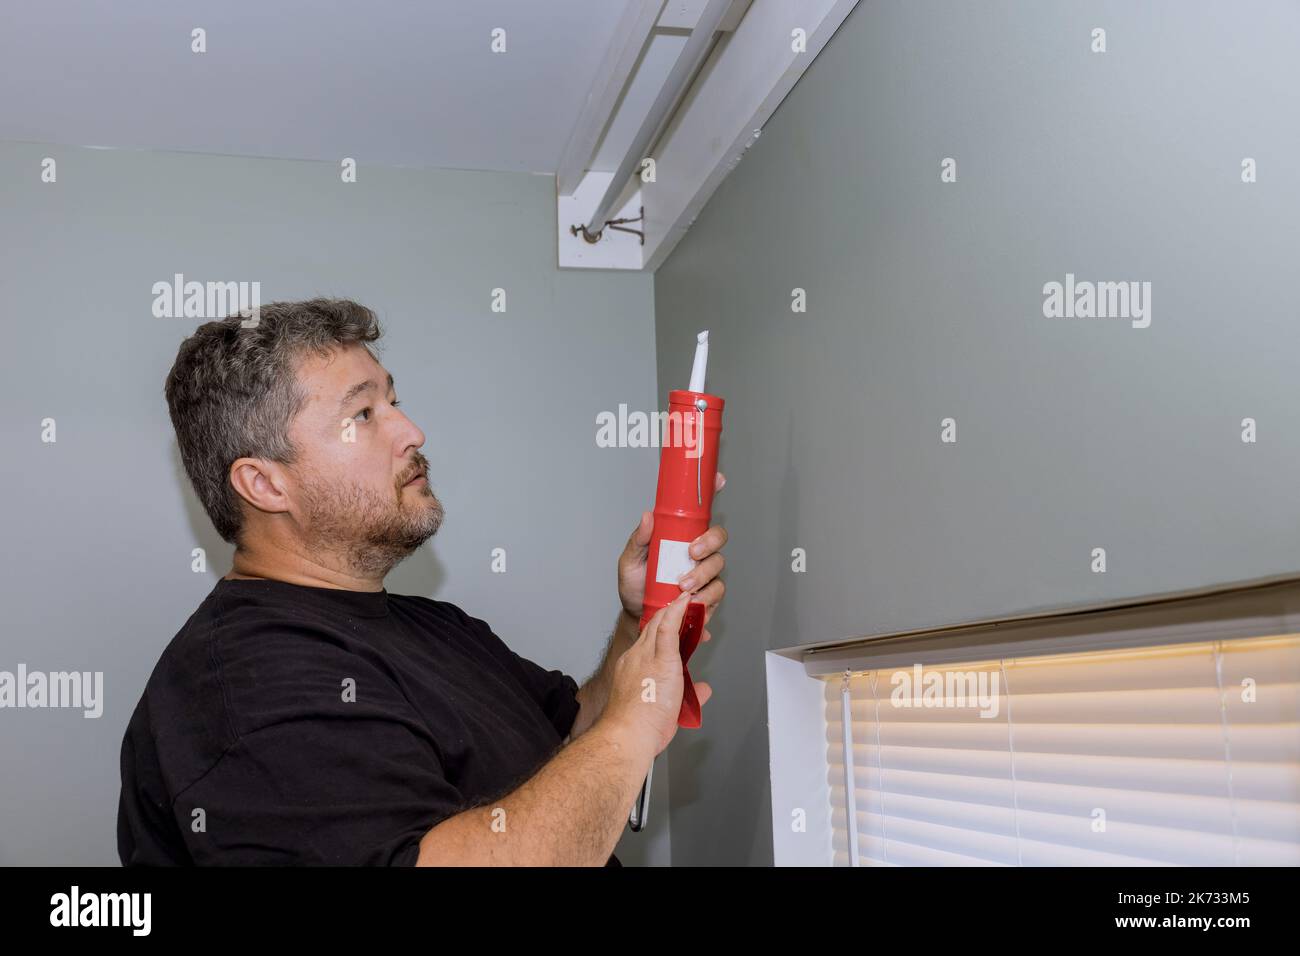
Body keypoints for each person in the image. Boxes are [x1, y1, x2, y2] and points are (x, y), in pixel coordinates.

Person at [117, 298, 727, 866]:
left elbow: (572, 741)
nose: (411, 431)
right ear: (266, 484)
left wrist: (639, 619)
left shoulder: (435, 625)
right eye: (362, 414)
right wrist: (631, 732)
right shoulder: (248, 684)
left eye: (393, 401)